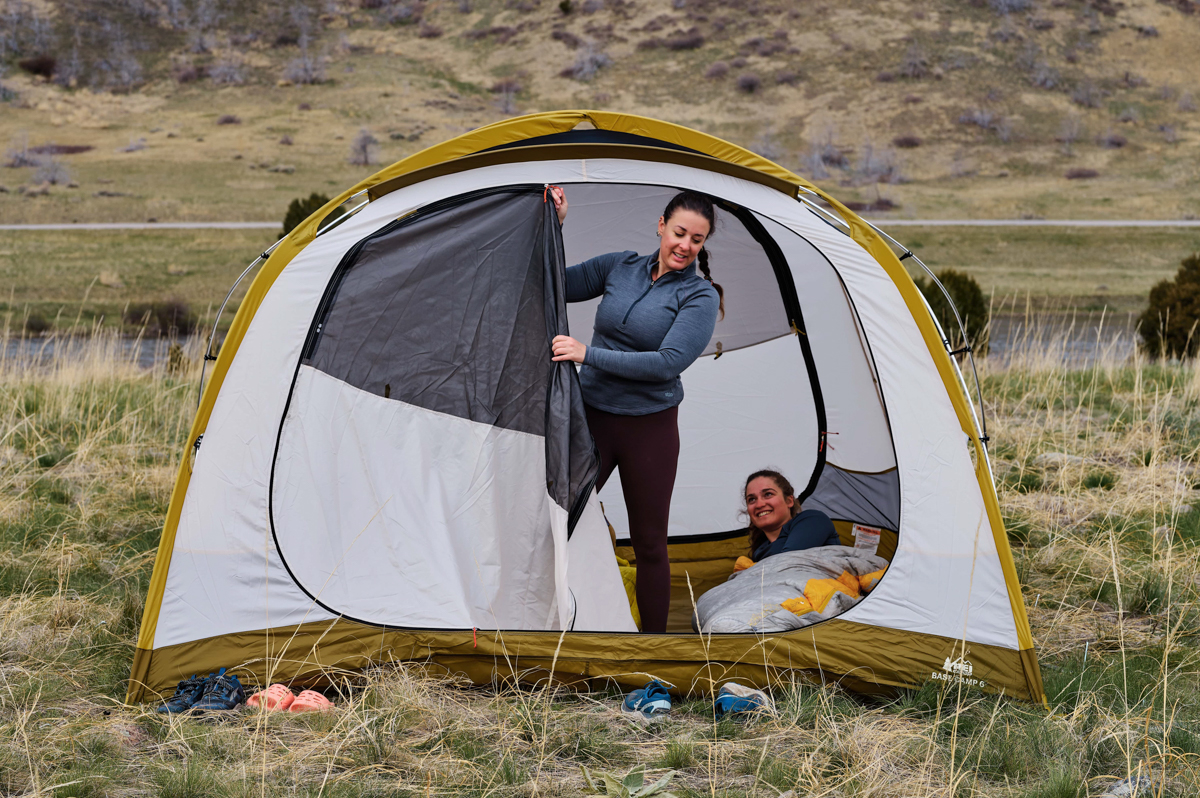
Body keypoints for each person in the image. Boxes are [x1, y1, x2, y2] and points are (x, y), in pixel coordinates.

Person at [548, 187, 723, 634]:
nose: (685, 246)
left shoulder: (699, 298)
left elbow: (667, 363)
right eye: (680, 232)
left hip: (650, 429)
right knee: (557, 522)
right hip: (593, 420)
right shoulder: (619, 266)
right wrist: (557, 224)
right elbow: (555, 285)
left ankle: (655, 649)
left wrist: (588, 354)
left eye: (697, 240)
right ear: (661, 226)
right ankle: (548, 625)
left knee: (649, 543)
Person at [742, 469, 839, 562]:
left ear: (789, 501)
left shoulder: (815, 520)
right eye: (752, 499)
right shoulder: (758, 553)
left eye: (768, 494)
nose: (759, 504)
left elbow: (788, 563)